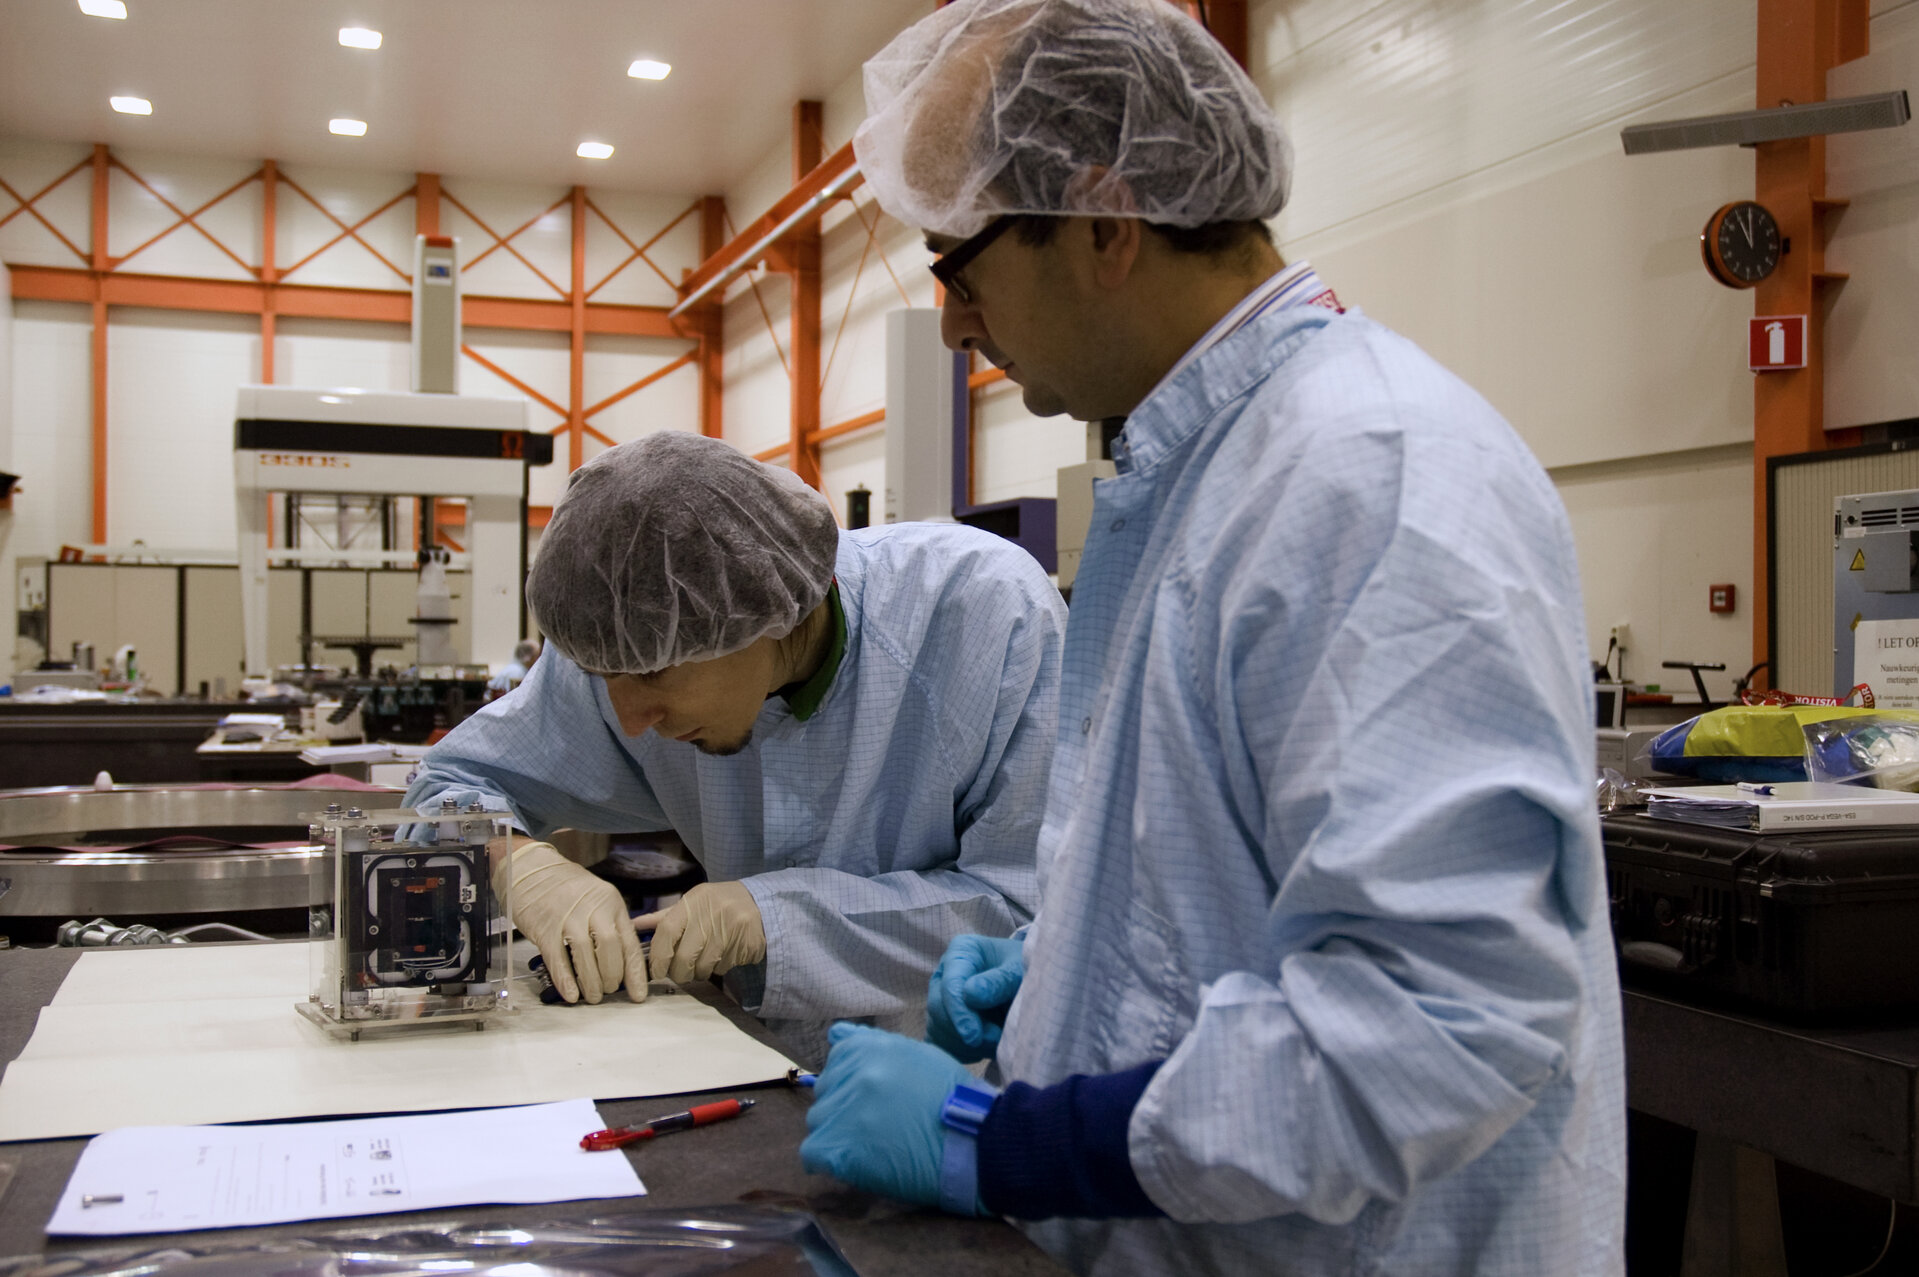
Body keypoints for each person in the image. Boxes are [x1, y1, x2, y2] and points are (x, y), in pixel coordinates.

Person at [796, 2, 1627, 1273]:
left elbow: (1438, 1024)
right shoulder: (1206, 474)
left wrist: (1003, 1142)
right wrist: (1063, 962)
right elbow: (1234, 858)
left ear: (1104, 220)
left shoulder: (1366, 477)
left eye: (957, 265)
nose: (954, 324)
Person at [407, 431, 1064, 1064]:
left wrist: (775, 919)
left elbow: (1029, 914)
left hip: (954, 1091)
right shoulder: (624, 640)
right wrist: (517, 862)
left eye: (654, 674)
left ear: (774, 613)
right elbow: (441, 789)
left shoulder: (984, 616)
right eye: (608, 678)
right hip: (749, 1077)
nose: (630, 719)